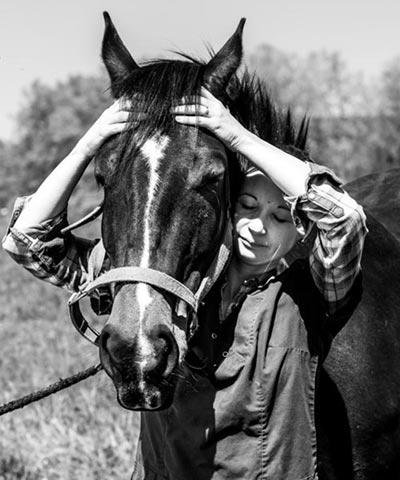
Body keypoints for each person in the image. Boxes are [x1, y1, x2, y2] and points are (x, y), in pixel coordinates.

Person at [3, 88, 367, 479]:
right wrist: (88, 145)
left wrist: (237, 136)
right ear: (225, 207)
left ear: (299, 232)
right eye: (247, 206)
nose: (259, 227)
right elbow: (28, 241)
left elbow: (344, 219)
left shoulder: (312, 293)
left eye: (280, 216)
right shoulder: (165, 282)